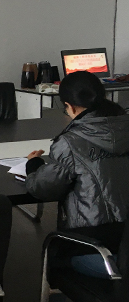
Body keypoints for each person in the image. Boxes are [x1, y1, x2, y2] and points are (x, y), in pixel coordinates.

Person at [25, 71, 129, 279]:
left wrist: (33, 165)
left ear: (70, 106)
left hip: (97, 247)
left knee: (57, 255)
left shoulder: (70, 143)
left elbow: (44, 188)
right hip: (124, 240)